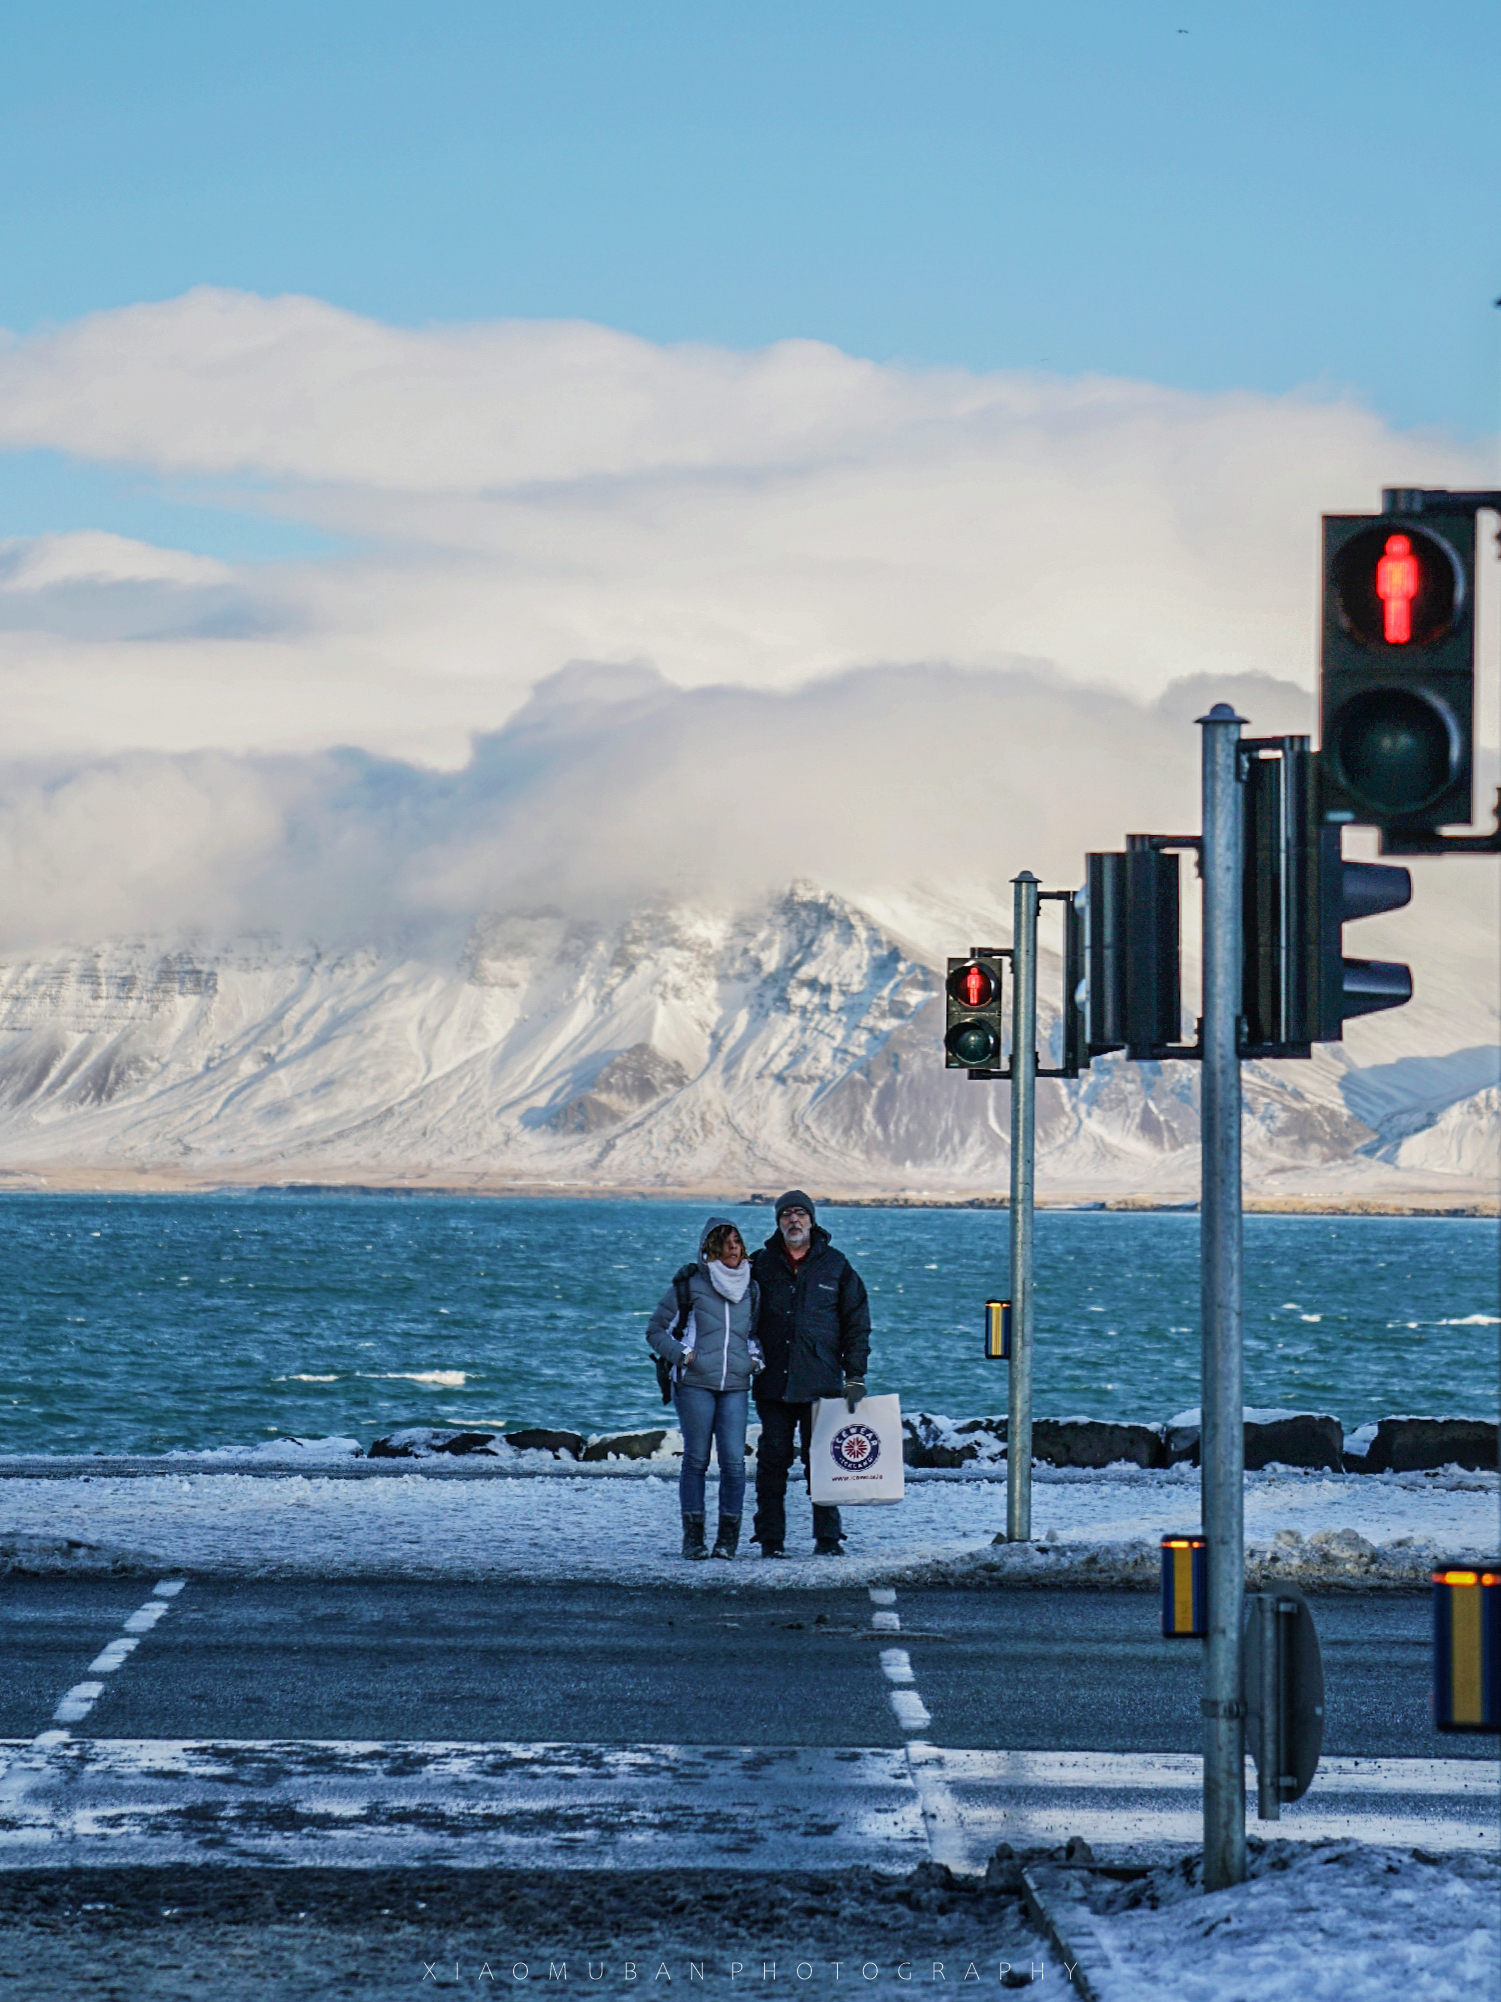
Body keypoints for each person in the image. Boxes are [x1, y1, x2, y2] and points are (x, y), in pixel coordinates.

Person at [749, 1191, 871, 1558]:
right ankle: (771, 1540)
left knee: (823, 1462)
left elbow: (857, 1324)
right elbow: (722, 1287)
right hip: (773, 1383)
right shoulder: (760, 1264)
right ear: (778, 1222)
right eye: (786, 1214)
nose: (794, 1221)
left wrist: (856, 1376)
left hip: (821, 1382)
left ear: (812, 1220)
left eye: (800, 1213)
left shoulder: (836, 1266)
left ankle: (828, 1539)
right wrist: (694, 1271)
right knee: (773, 1462)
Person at [645, 1217, 763, 1560]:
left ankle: (727, 1541)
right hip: (695, 1384)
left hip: (736, 1386)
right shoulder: (689, 1285)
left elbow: (754, 1334)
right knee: (696, 1461)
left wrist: (755, 1361)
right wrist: (683, 1355)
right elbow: (655, 1331)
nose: (733, 1246)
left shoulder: (752, 1287)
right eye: (724, 1241)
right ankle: (693, 1540)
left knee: (734, 1464)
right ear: (708, 1247)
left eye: (737, 1240)